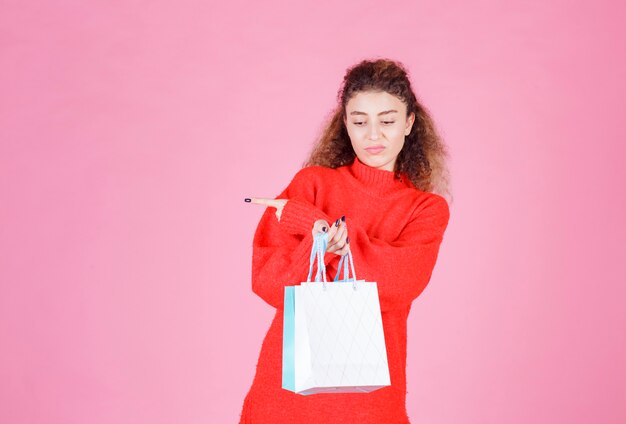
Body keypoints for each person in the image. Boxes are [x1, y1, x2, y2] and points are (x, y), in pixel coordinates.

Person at [239, 58, 452, 423]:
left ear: (409, 124)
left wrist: (310, 222)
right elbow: (269, 283)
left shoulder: (425, 208)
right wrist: (330, 243)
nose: (373, 135)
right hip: (283, 398)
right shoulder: (311, 184)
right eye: (359, 121)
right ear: (345, 125)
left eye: (387, 121)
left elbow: (398, 284)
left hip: (370, 402)